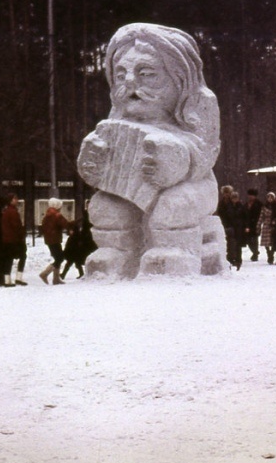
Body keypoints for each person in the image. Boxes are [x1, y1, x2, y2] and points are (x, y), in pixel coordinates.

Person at [76, 22, 224, 279]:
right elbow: (103, 156)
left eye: (147, 74)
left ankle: (175, 251)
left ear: (179, 78)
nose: (130, 82)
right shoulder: (121, 115)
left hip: (190, 186)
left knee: (175, 205)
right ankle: (117, 251)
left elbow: (206, 152)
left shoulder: (201, 103)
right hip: (130, 191)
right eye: (121, 75)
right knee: (104, 205)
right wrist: (93, 161)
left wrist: (180, 159)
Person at [39, 198, 71, 285]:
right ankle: (45, 274)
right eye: (60, 206)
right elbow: (65, 224)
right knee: (60, 258)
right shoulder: (57, 215)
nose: (60, 208)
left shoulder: (47, 215)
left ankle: (56, 279)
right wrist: (72, 226)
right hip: (55, 239)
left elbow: (43, 227)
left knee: (58, 258)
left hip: (49, 239)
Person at [1, 192, 27, 287]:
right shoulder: (13, 212)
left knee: (8, 258)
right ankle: (18, 277)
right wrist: (22, 235)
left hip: (7, 239)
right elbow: (16, 226)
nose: (17, 200)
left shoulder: (6, 211)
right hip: (14, 239)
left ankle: (7, 279)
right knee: (23, 256)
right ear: (10, 200)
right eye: (15, 199)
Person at [257, 191, 276, 264]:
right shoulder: (264, 207)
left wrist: (275, 221)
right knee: (266, 243)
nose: (270, 199)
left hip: (274, 225)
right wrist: (258, 226)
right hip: (266, 225)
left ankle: (272, 253)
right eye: (268, 197)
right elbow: (261, 217)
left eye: (271, 197)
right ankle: (269, 253)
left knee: (274, 241)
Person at [244, 188, 263, 262]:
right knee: (248, 240)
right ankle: (255, 252)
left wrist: (259, 222)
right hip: (248, 224)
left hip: (256, 223)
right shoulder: (246, 204)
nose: (250, 197)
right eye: (249, 195)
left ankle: (255, 254)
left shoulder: (259, 204)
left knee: (255, 240)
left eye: (252, 195)